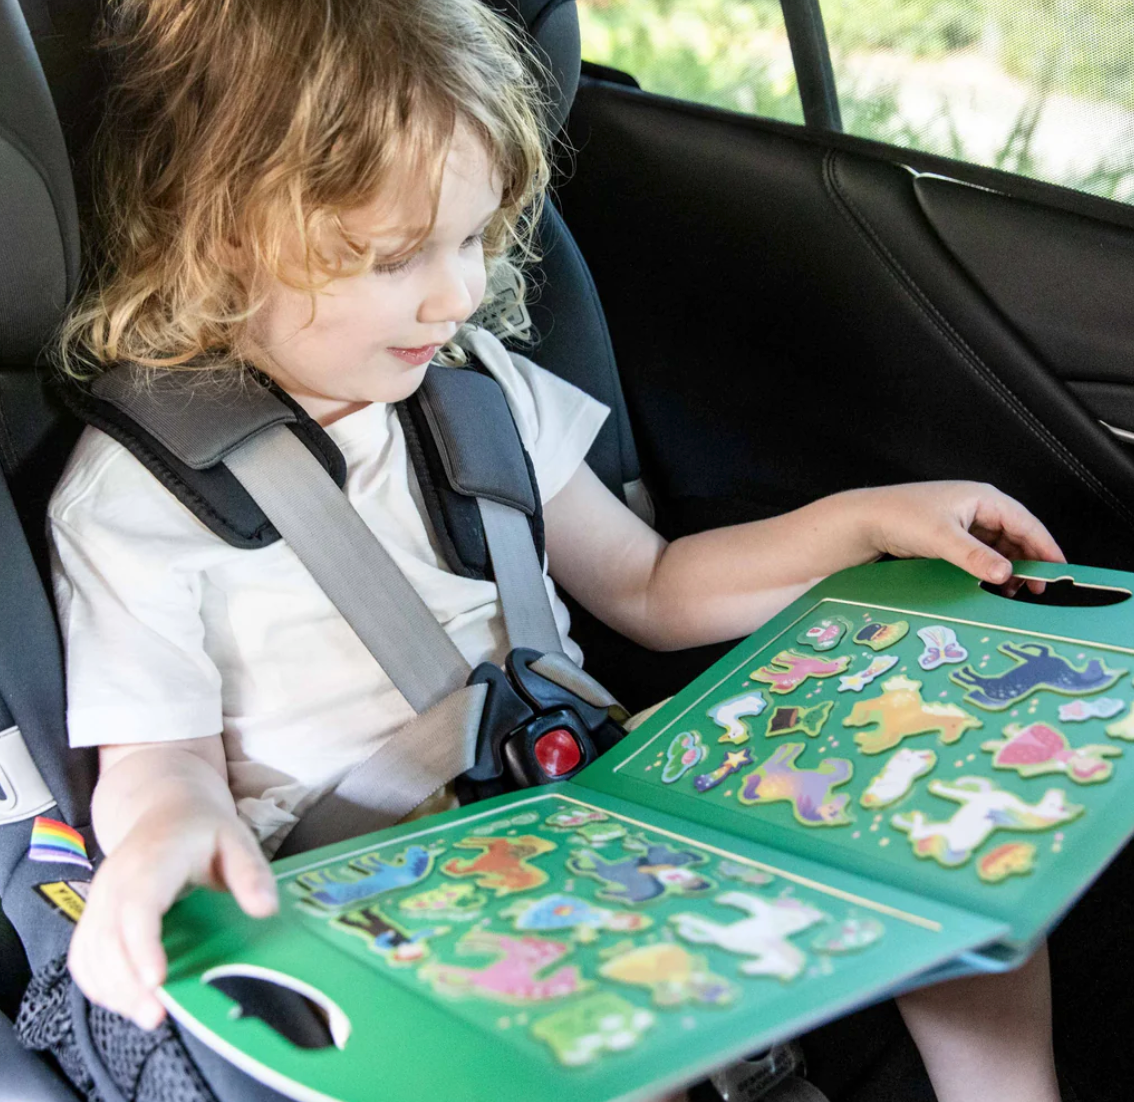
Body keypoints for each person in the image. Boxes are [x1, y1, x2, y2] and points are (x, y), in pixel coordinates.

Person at [44, 1, 1065, 1100]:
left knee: (955, 861)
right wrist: (168, 839)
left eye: (474, 240)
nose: (461, 292)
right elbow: (161, 768)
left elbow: (651, 585)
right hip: (391, 899)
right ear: (228, 231)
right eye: (400, 257)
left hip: (589, 801)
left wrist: (863, 524)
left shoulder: (476, 393)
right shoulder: (137, 499)